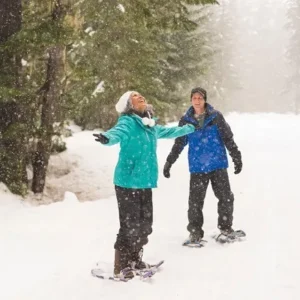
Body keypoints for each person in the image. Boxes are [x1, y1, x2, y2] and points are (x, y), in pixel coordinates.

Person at [93, 91, 195, 278]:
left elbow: (169, 131)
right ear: (128, 105)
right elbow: (117, 133)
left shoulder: (150, 125)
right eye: (135, 96)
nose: (140, 97)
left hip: (145, 182)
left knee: (145, 225)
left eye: (141, 95)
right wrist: (107, 138)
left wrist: (189, 128)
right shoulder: (128, 122)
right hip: (127, 182)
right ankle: (120, 266)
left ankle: (135, 260)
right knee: (129, 226)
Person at [163, 87, 243, 244]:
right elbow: (179, 143)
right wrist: (169, 162)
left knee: (226, 198)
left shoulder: (215, 117)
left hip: (218, 165)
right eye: (194, 98)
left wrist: (236, 157)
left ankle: (226, 229)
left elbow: (228, 138)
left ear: (204, 99)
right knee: (195, 202)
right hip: (198, 167)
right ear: (191, 100)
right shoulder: (186, 120)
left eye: (200, 98)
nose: (197, 101)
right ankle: (195, 233)